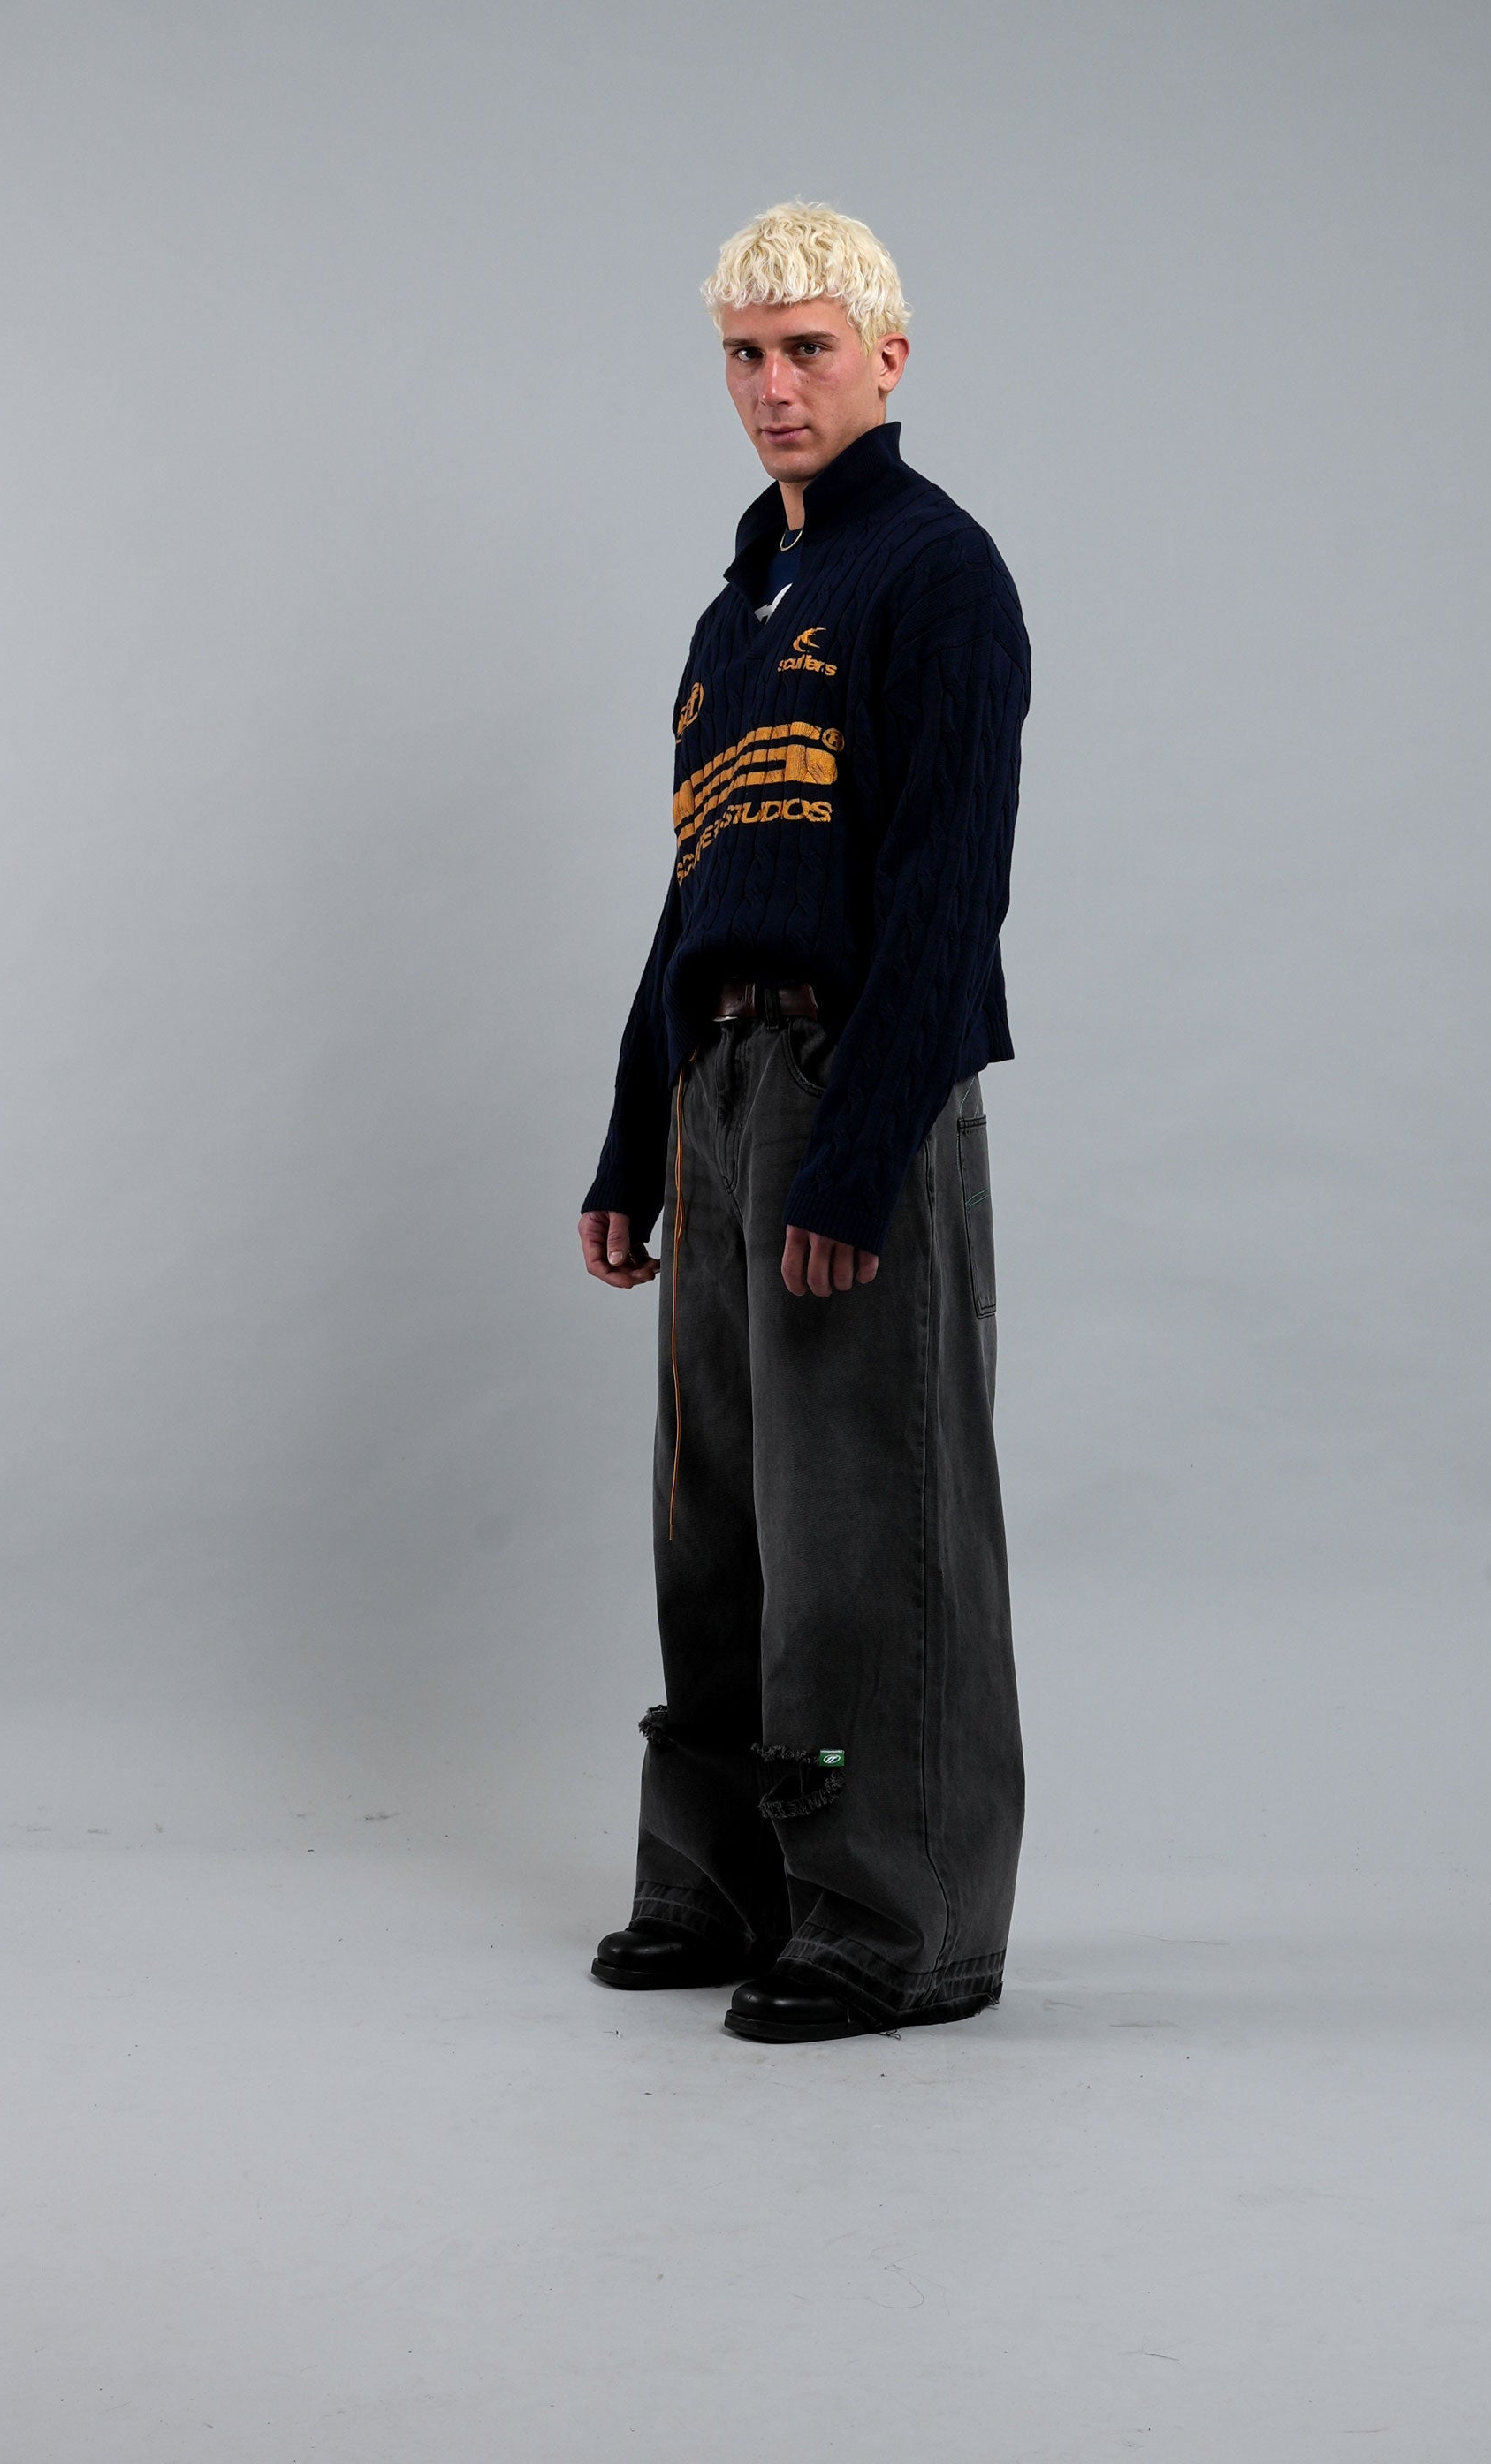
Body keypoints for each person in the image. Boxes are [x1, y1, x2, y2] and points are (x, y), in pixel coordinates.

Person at [577, 201, 1029, 2043]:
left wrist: (859, 1149)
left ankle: (895, 1919)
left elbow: (947, 889)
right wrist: (634, 1142)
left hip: (857, 1082)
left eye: (808, 349)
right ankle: (726, 1879)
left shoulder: (936, 572)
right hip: (721, 1088)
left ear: (886, 359)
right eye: (746, 356)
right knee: (716, 1515)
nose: (774, 386)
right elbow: (696, 890)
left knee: (860, 1512)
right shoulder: (736, 609)